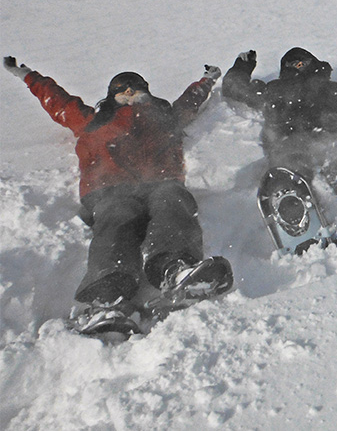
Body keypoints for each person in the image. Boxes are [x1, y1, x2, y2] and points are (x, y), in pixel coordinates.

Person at [3, 55, 232, 335]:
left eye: (135, 87)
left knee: (172, 201)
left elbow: (191, 100)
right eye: (121, 89)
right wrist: (25, 73)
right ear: (111, 96)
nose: (128, 92)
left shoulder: (165, 116)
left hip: (161, 184)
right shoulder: (93, 121)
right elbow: (57, 101)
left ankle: (176, 270)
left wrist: (209, 79)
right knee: (118, 217)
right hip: (111, 188)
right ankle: (108, 295)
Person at [222, 47, 337, 217]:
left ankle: (293, 204)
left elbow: (235, 87)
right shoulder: (329, 90)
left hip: (297, 145)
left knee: (301, 168)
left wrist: (242, 66)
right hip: (314, 144)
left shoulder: (275, 90)